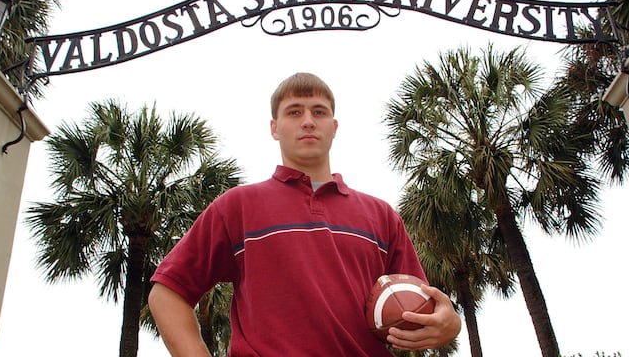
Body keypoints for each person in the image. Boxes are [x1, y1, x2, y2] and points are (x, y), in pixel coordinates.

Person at [148, 72, 461, 356]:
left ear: (334, 127)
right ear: (274, 127)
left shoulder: (380, 215)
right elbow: (167, 292)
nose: (308, 121)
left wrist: (450, 324)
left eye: (319, 112)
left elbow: (422, 306)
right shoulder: (238, 206)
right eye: (294, 112)